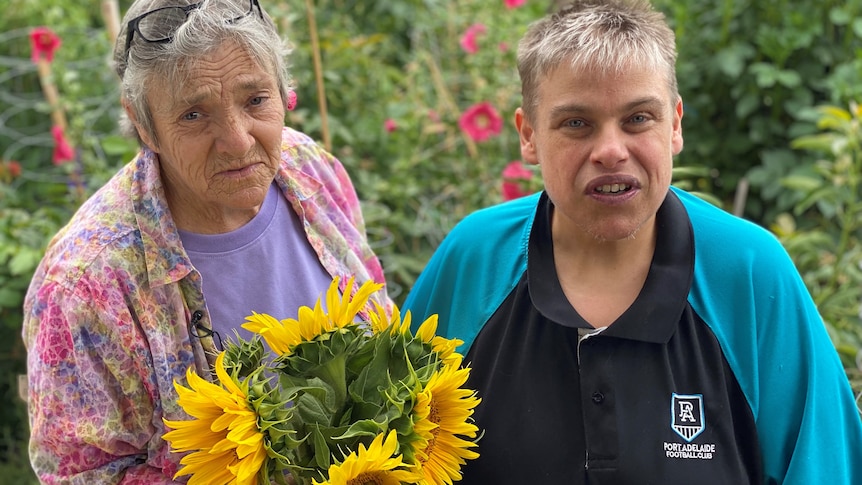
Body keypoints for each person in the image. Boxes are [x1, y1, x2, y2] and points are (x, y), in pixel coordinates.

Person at [403, 0, 862, 483]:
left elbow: (825, 468)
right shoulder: (473, 261)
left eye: (638, 118)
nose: (610, 151)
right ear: (529, 136)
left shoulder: (748, 271)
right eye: (576, 123)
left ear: (676, 124)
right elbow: (389, 444)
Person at [21, 0, 392, 482]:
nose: (237, 141)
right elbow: (81, 474)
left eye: (255, 100)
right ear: (142, 124)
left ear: (284, 93)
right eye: (194, 114)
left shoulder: (309, 169)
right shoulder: (84, 286)